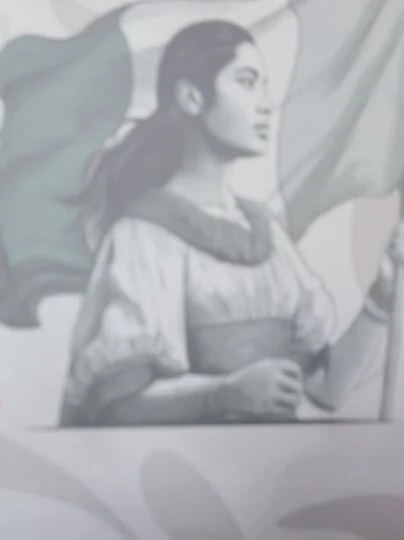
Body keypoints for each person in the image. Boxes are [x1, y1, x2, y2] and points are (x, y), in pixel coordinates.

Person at [53, 20, 404, 425]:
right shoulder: (144, 236)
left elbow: (326, 389)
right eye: (247, 82)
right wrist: (223, 393)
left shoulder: (267, 234)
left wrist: (381, 298)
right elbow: (115, 404)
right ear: (191, 97)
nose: (266, 104)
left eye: (264, 85)